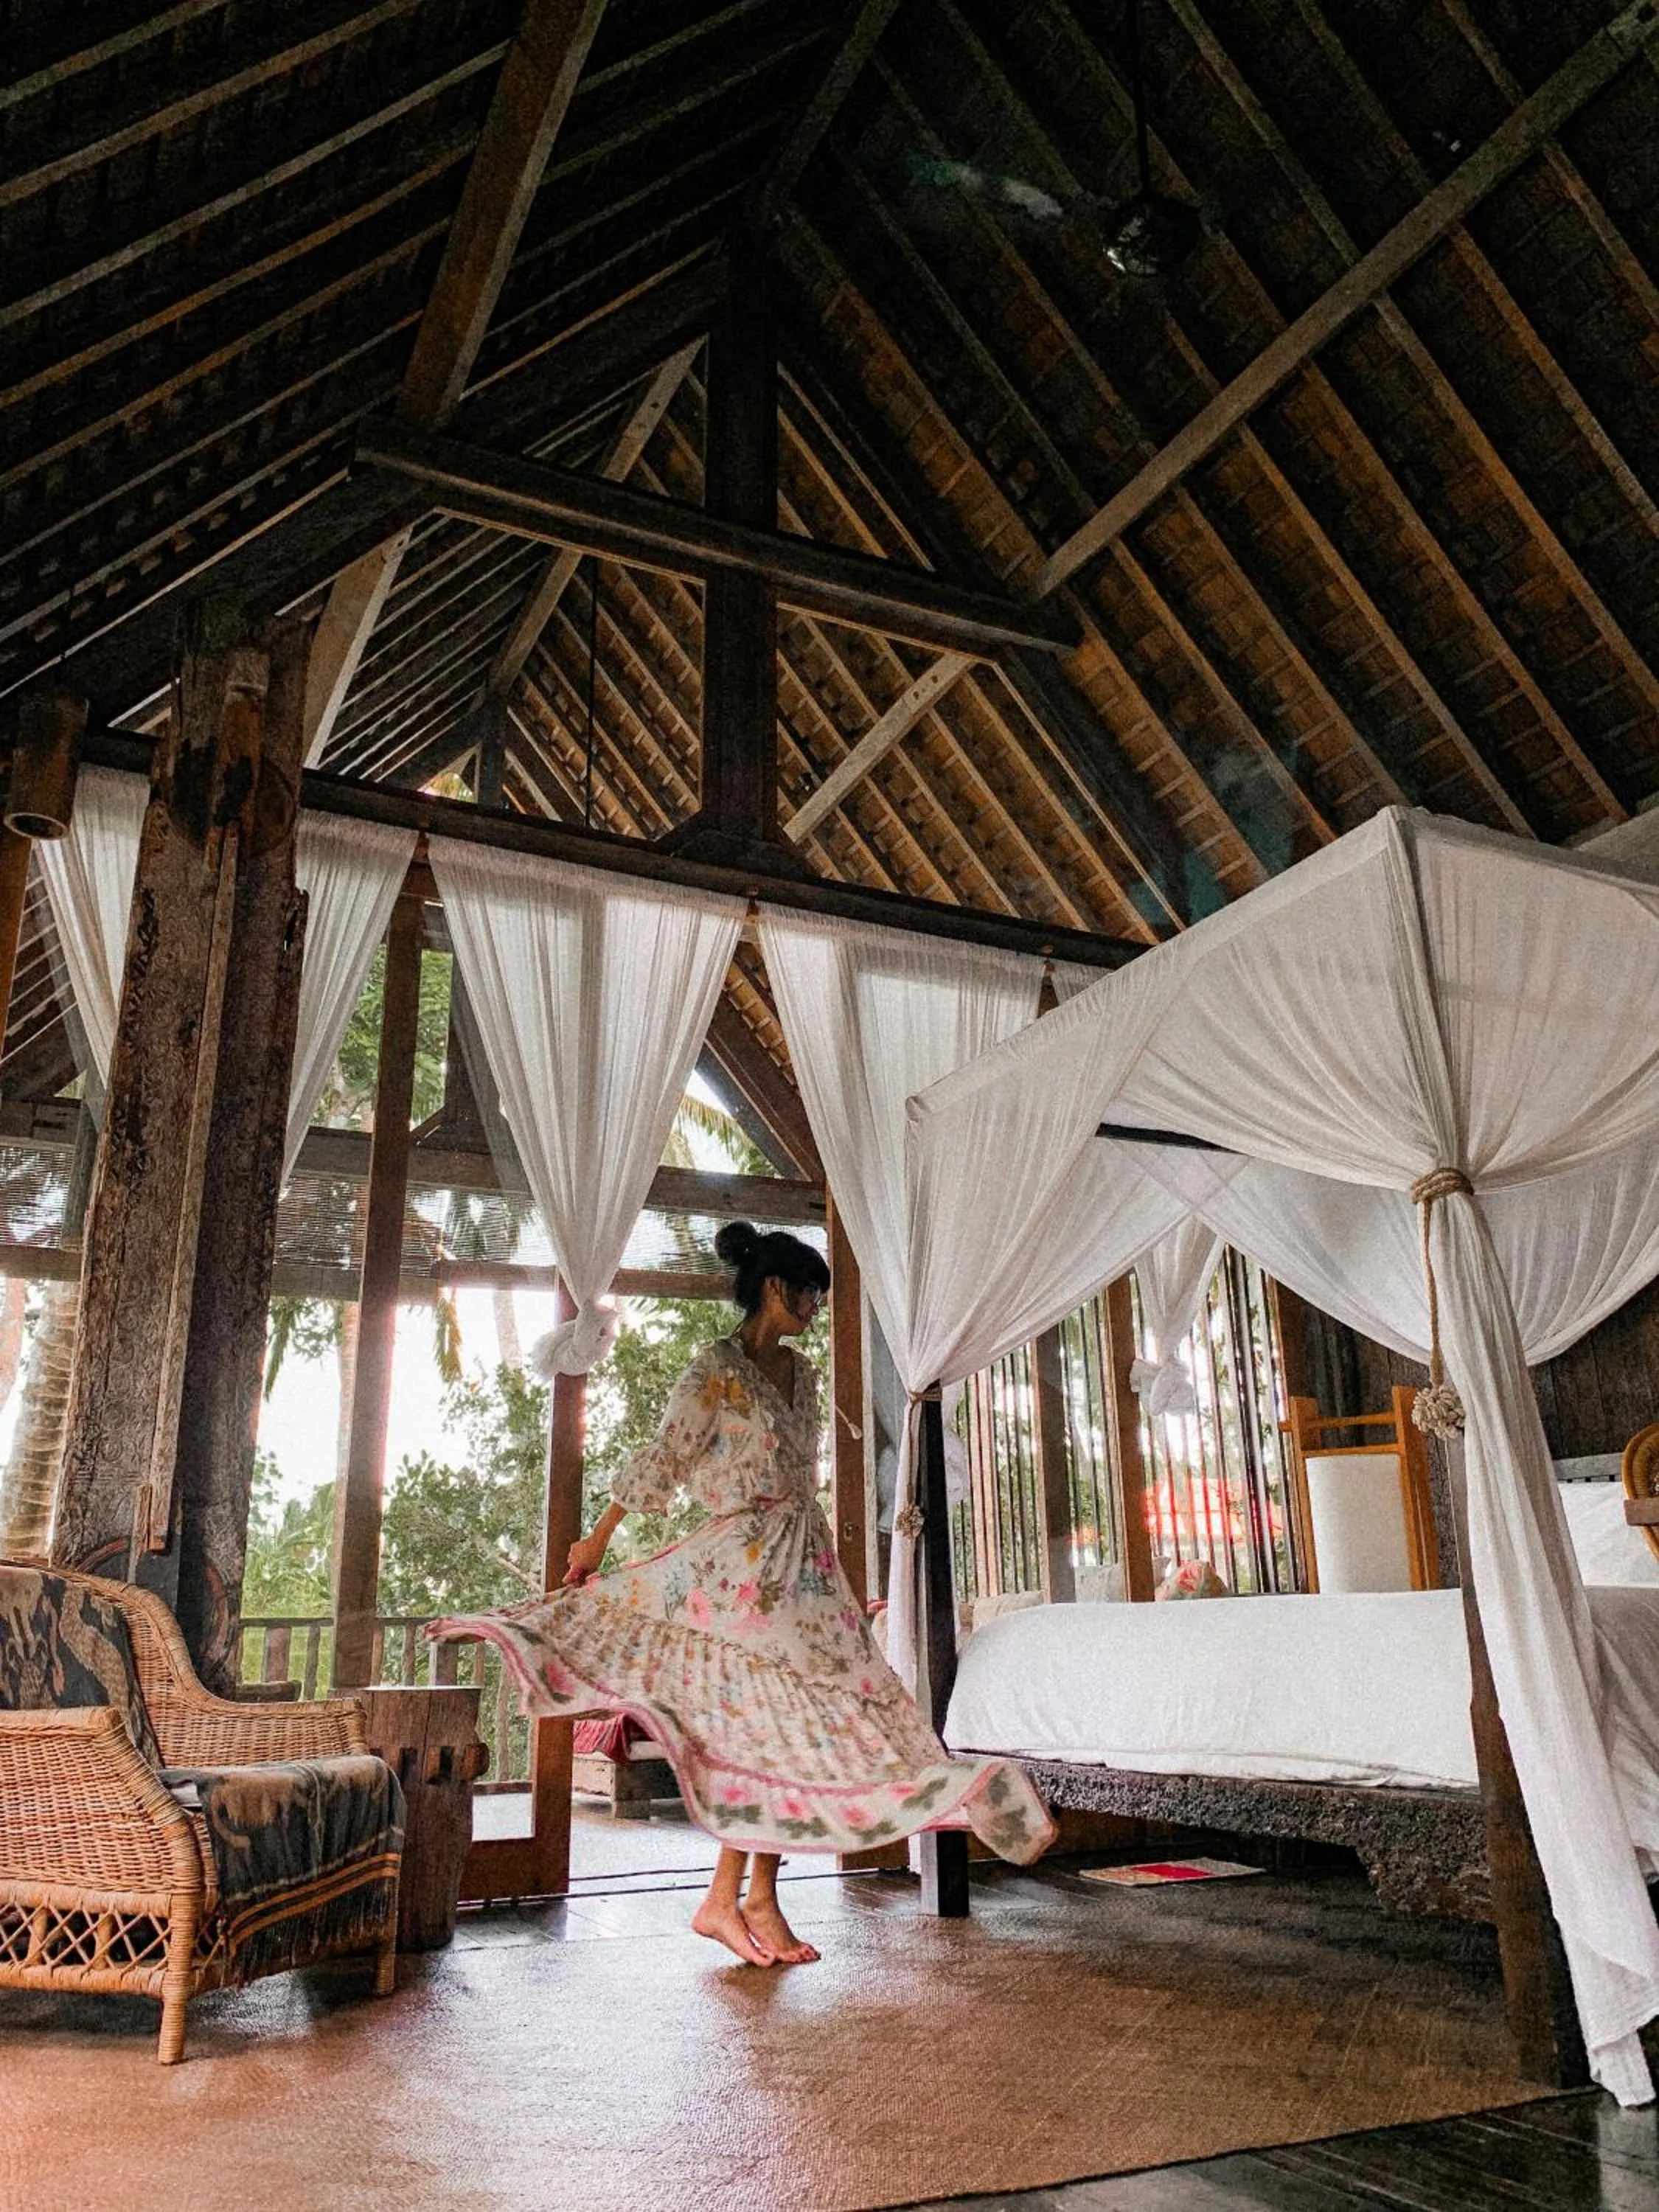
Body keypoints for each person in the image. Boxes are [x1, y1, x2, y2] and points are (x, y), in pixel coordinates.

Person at [429, 1222, 1054, 1968]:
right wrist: (596, 1541)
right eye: (809, 1292)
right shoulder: (715, 1369)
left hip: (807, 1563)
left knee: (807, 1717)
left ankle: (749, 1896)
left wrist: (829, 1571)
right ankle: (736, 1898)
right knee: (769, 1722)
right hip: (742, 1565)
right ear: (773, 1288)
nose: (817, 1306)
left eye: (822, 1295)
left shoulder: (805, 1375)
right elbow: (666, 1456)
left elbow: (804, 1473)